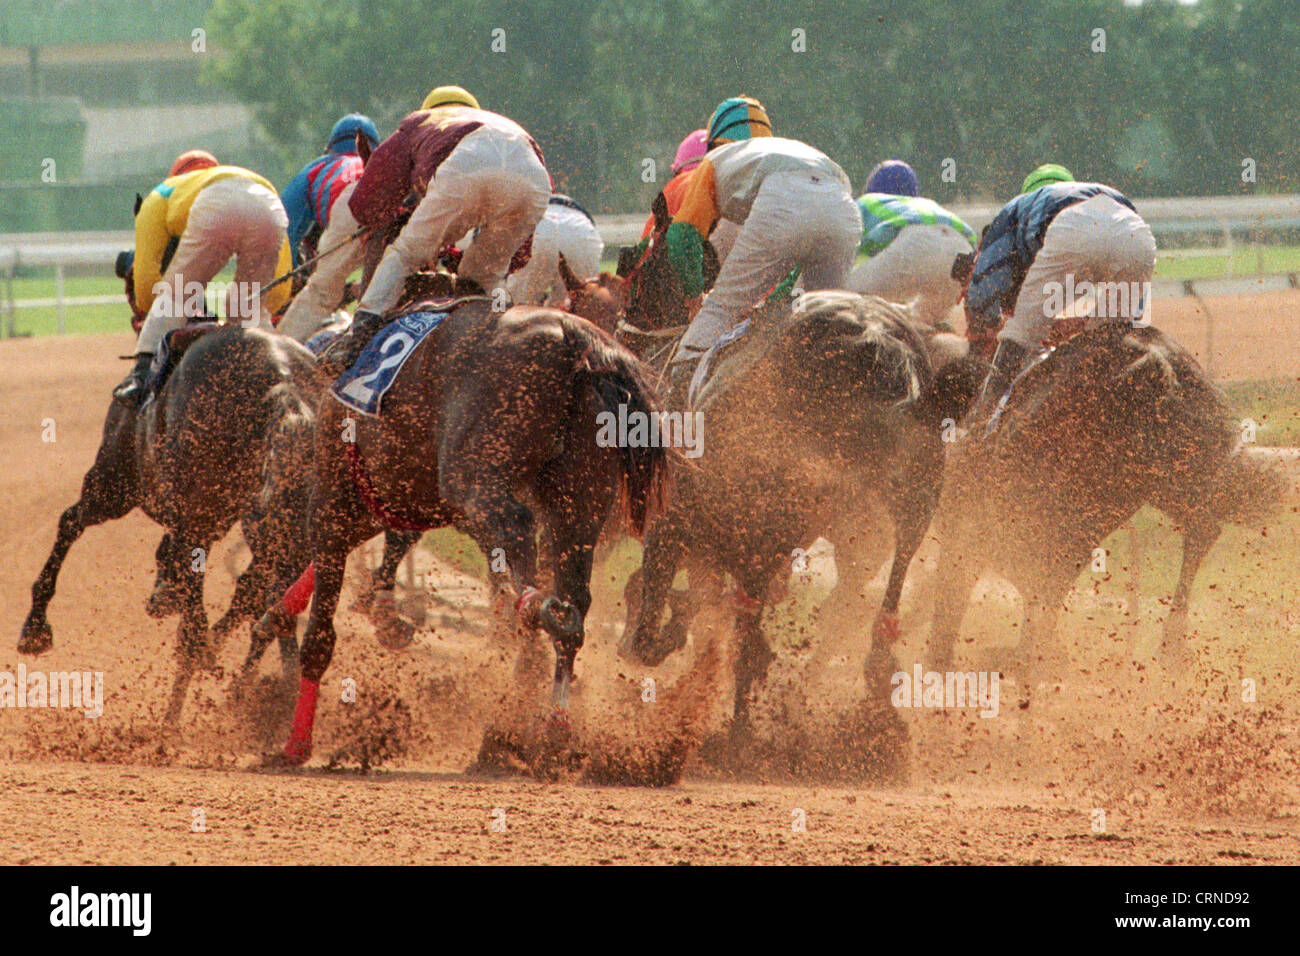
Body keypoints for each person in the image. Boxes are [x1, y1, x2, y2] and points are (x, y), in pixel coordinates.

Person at [321, 90, 551, 370]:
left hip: (466, 168)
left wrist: (380, 216)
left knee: (404, 254)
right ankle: (507, 341)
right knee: (486, 274)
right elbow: (519, 256)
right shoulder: (498, 122)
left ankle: (359, 340)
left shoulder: (418, 122)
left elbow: (370, 200)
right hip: (533, 178)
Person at [663, 96, 861, 392]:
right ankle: (844, 392)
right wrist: (775, 302)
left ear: (716, 140)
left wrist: (694, 295)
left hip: (783, 203)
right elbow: (807, 237)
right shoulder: (791, 149)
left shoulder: (716, 159)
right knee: (826, 321)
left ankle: (677, 402)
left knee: (720, 307)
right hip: (842, 207)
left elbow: (681, 236)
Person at [964, 163, 1157, 423]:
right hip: (1137, 237)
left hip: (1074, 231)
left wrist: (982, 326)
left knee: (1019, 335)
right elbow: (1135, 312)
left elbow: (983, 288)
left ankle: (979, 424)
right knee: (1109, 339)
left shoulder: (1016, 208)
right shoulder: (1088, 194)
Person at [113, 158, 292, 405]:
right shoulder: (241, 177)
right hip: (270, 206)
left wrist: (158, 310)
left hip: (218, 206)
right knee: (247, 307)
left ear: (175, 176)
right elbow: (281, 287)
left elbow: (144, 284)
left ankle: (140, 379)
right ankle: (280, 373)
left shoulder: (161, 194)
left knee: (175, 296)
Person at [276, 113, 381, 342]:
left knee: (321, 295)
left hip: (351, 203)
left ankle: (276, 356)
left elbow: (286, 232)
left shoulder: (317, 167)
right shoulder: (380, 161)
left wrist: (290, 275)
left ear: (329, 148)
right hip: (392, 196)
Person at [846, 159, 978, 326]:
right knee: (923, 322)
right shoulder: (926, 204)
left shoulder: (868, 201)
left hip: (918, 244)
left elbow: (847, 252)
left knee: (846, 298)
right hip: (962, 253)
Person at [506, 193, 604, 306]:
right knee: (575, 304)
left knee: (521, 305)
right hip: (582, 233)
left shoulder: (532, 200)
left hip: (541, 230)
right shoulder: (569, 205)